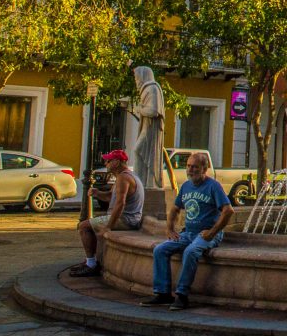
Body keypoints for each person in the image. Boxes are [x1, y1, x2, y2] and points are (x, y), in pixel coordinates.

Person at [140, 152, 234, 311]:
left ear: (204, 168)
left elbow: (228, 210)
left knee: (190, 252)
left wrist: (212, 232)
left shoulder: (213, 186)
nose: (190, 170)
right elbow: (175, 209)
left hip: (206, 234)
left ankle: (182, 295)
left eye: (195, 167)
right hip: (188, 233)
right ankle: (163, 293)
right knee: (160, 250)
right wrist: (169, 229)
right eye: (188, 166)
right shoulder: (186, 186)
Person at [71, 149, 143, 277]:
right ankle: (91, 260)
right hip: (127, 218)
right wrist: (97, 193)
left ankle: (91, 264)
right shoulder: (123, 176)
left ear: (117, 162)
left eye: (108, 161)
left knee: (83, 226)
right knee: (91, 224)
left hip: (126, 219)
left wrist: (109, 226)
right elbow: (110, 197)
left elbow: (120, 204)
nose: (106, 164)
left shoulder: (124, 178)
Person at [131, 66, 165, 190]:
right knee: (138, 152)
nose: (136, 81)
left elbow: (154, 111)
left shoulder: (152, 89)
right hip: (147, 127)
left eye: (137, 78)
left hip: (151, 130)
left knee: (138, 151)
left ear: (143, 77)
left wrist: (139, 109)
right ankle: (141, 184)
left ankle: (143, 184)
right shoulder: (147, 89)